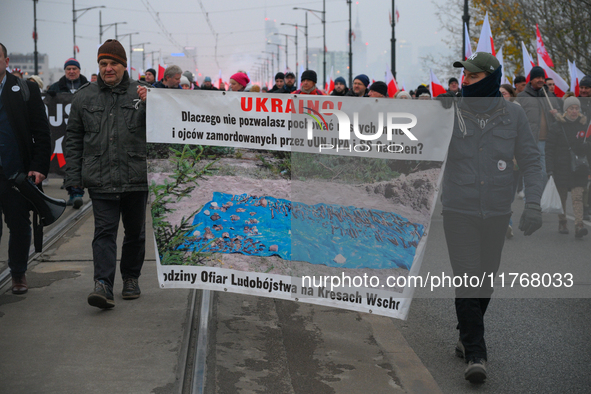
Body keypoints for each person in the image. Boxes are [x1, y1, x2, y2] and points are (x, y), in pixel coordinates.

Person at [439, 52, 544, 383]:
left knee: (485, 279)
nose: (465, 80)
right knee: (468, 277)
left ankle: (467, 330)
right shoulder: (448, 111)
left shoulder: (512, 114)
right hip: (459, 209)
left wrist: (535, 204)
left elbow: (530, 159)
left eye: (473, 75)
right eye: (465, 76)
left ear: (490, 78)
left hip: (497, 211)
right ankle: (475, 352)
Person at [64, 39, 149, 309]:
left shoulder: (142, 94)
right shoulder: (84, 97)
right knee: (104, 232)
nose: (108, 68)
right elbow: (73, 139)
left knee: (134, 232)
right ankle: (102, 284)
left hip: (136, 176)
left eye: (113, 63)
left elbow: (163, 132)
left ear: (124, 65)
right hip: (100, 178)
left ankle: (131, 278)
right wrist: (73, 179)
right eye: (103, 64)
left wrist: (152, 104)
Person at [0, 43, 51, 294]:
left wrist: (39, 166)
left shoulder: (25, 89)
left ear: (6, 61)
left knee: (19, 226)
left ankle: (18, 273)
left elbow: (42, 132)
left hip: (15, 174)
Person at [545, 96, 590, 238]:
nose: (574, 111)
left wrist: (586, 146)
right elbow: (549, 149)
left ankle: (579, 225)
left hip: (579, 167)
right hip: (561, 166)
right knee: (562, 196)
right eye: (571, 108)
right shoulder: (557, 126)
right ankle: (563, 221)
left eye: (576, 108)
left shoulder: (584, 125)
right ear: (566, 110)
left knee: (578, 197)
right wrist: (549, 168)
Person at [516, 66, 562, 176]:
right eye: (537, 77)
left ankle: (543, 193)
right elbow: (515, 118)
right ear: (531, 80)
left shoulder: (550, 96)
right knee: (529, 172)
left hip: (548, 143)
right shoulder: (522, 97)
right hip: (530, 142)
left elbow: (561, 117)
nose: (541, 80)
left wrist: (557, 114)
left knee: (545, 173)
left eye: (542, 77)